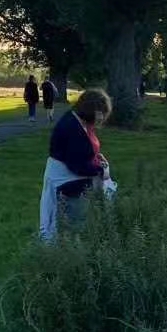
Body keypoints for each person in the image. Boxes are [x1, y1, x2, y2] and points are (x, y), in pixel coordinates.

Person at [39, 88, 113, 241]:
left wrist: (97, 158)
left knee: (73, 225)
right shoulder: (72, 128)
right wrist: (101, 170)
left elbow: (82, 153)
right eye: (100, 114)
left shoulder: (78, 121)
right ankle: (71, 257)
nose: (101, 119)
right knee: (75, 225)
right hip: (68, 184)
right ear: (92, 111)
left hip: (72, 181)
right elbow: (77, 166)